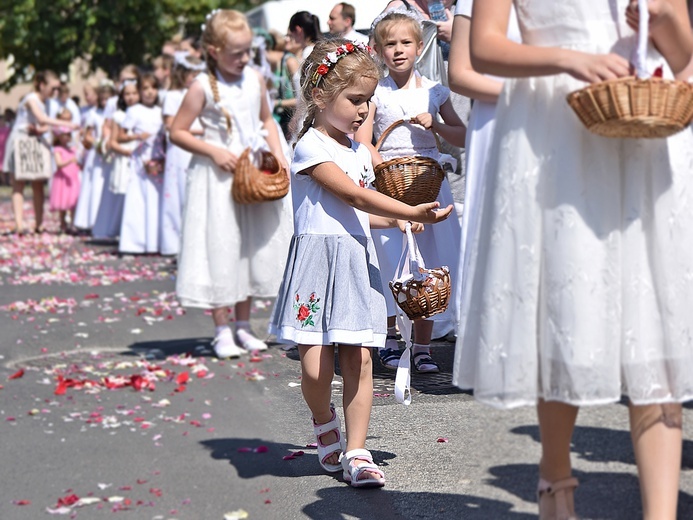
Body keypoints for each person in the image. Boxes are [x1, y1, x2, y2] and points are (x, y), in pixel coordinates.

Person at [455, 1, 693, 519]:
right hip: (556, 141)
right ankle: (555, 482)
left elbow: (683, 54)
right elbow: (483, 47)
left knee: (658, 335)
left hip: (647, 142)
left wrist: (666, 19)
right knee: (569, 322)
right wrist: (570, 60)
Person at [268, 37, 453, 487]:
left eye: (369, 102)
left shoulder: (357, 153)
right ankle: (323, 420)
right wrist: (409, 209)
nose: (362, 111)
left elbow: (361, 213)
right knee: (314, 367)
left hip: (355, 261)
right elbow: (349, 193)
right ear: (319, 95)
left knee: (360, 359)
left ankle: (356, 449)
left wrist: (400, 226)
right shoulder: (310, 146)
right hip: (316, 262)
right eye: (354, 100)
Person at [170, 9, 293, 358]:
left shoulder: (254, 79)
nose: (243, 59)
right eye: (235, 53)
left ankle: (243, 324)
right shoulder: (201, 88)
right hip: (218, 178)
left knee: (249, 247)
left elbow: (266, 119)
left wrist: (277, 152)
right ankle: (221, 328)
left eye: (246, 51)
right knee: (222, 245)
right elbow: (177, 131)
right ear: (213, 51)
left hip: (252, 171)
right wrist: (211, 150)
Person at [355, 11, 465, 372]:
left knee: (429, 262)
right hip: (390, 186)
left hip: (429, 185)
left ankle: (422, 345)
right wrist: (378, 162)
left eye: (406, 43)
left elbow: (461, 135)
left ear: (420, 47)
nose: (398, 50)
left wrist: (437, 126)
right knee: (389, 259)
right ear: (379, 50)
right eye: (390, 44)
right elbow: (363, 138)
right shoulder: (376, 93)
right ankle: (388, 336)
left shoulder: (434, 89)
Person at [447, 1, 521, 380]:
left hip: (555, 120)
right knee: (499, 234)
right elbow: (459, 73)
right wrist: (529, 94)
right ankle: (497, 346)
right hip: (501, 119)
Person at [3, 71, 78, 234]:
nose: (55, 92)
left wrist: (39, 129)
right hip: (21, 141)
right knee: (19, 183)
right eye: (53, 88)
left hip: (36, 141)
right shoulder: (31, 99)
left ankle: (39, 223)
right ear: (42, 85)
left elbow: (44, 125)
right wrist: (67, 123)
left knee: (38, 184)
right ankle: (19, 224)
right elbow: (42, 119)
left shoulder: (48, 103)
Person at [160, 52, 205, 256]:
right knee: (176, 193)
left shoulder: (199, 93)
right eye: (192, 73)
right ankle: (172, 243)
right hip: (179, 150)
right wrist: (200, 130)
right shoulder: (173, 95)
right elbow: (170, 125)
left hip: (197, 145)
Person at [117, 73, 165, 254]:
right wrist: (137, 136)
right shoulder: (134, 111)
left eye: (153, 88)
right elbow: (120, 136)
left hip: (158, 161)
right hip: (140, 163)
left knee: (156, 202)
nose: (150, 93)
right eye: (145, 89)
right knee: (138, 202)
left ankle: (155, 243)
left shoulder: (160, 111)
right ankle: (134, 243)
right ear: (139, 91)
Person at [91, 78, 140, 240]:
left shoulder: (146, 112)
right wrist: (127, 150)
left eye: (134, 93)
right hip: (125, 158)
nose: (131, 97)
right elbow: (112, 140)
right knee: (122, 195)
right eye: (127, 94)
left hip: (141, 159)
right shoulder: (119, 116)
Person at [49, 112, 81, 234]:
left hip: (72, 179)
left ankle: (72, 224)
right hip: (62, 180)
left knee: (73, 203)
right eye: (64, 135)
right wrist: (70, 160)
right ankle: (62, 224)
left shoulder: (73, 149)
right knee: (62, 204)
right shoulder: (58, 149)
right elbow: (59, 164)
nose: (67, 137)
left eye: (68, 135)